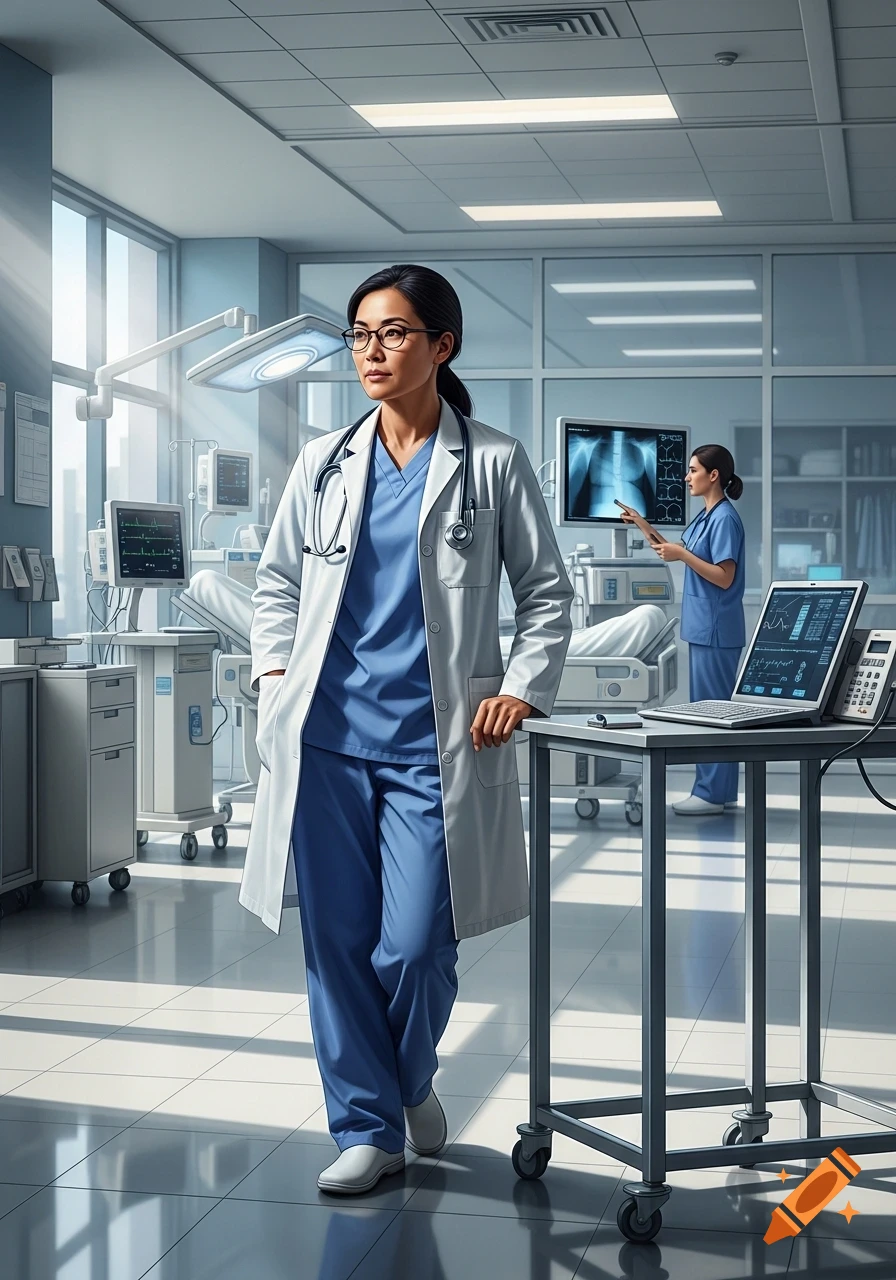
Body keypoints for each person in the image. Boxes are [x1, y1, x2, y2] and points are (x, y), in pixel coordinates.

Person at [239, 264, 573, 1195]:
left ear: (441, 345)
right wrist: (273, 672)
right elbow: (275, 586)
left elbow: (547, 593)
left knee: (418, 944)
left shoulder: (494, 461)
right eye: (360, 335)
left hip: (438, 746)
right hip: (326, 740)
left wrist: (523, 687)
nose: (372, 352)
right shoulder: (323, 461)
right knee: (337, 943)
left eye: (391, 333)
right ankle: (369, 1125)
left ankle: (411, 1077)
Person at [618, 443, 746, 815]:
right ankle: (718, 792)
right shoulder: (706, 517)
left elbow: (724, 577)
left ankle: (709, 794)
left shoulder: (724, 519)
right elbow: (671, 550)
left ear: (713, 475)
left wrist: (683, 555)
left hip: (716, 629)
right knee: (712, 711)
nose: (687, 477)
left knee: (714, 714)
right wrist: (642, 523)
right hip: (704, 627)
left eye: (692, 470)